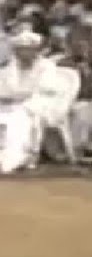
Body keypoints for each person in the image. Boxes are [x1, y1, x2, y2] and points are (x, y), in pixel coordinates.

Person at [0, 31, 66, 173]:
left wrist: (17, 98)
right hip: (10, 105)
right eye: (20, 49)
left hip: (40, 104)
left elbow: (46, 90)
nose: (23, 53)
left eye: (27, 49)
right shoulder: (8, 69)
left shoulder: (47, 67)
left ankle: (11, 160)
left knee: (19, 117)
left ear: (36, 50)